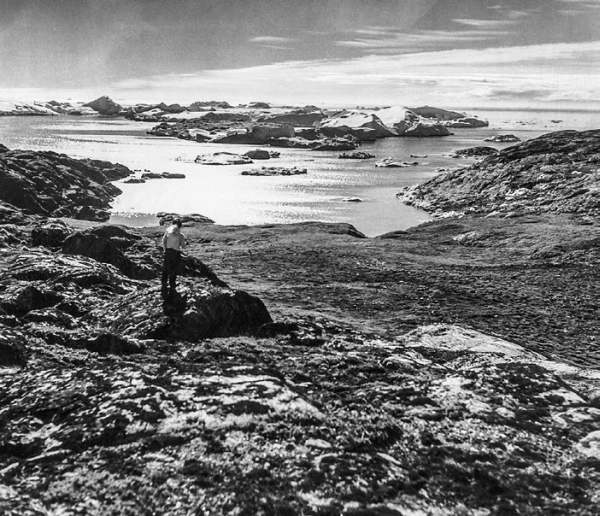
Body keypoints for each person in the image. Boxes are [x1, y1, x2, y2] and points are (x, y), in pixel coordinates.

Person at [161, 218, 185, 299]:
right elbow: (183, 246)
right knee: (174, 269)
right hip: (175, 253)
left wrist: (165, 250)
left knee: (165, 268)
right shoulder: (180, 235)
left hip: (168, 252)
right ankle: (172, 285)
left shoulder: (167, 232)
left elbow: (163, 241)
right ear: (180, 226)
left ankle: (164, 283)